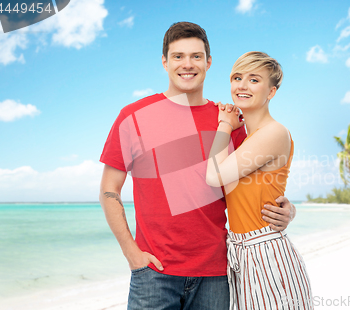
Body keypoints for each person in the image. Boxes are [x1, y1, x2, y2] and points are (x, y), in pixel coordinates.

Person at [99, 22, 296, 310]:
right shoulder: (133, 117)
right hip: (154, 272)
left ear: (209, 62)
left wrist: (288, 210)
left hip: (216, 274)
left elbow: (253, 188)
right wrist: (131, 253)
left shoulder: (228, 122)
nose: (187, 64)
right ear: (165, 62)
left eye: (196, 56)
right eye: (178, 56)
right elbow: (108, 189)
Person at [206, 52, 313, 309]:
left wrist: (224, 124)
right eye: (237, 78)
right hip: (243, 254)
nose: (242, 85)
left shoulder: (273, 132)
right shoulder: (247, 141)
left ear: (271, 92)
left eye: (254, 80)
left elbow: (213, 176)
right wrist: (291, 210)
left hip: (265, 252)